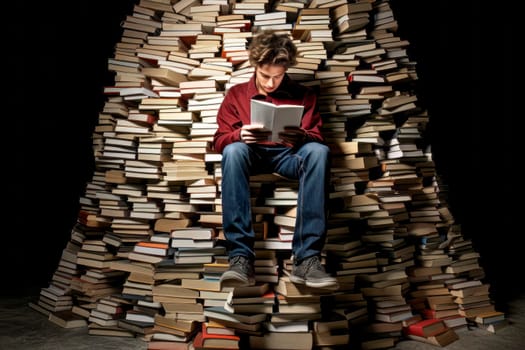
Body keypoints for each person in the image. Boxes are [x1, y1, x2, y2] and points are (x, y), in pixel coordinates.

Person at [213, 31, 338, 290]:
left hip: (288, 156)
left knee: (319, 152)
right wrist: (240, 134)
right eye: (265, 76)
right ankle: (240, 258)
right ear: (255, 67)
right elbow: (220, 140)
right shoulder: (236, 94)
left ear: (286, 70)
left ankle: (307, 259)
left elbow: (316, 136)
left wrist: (300, 136)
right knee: (233, 151)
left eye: (278, 77)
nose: (271, 84)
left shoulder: (304, 95)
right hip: (251, 155)